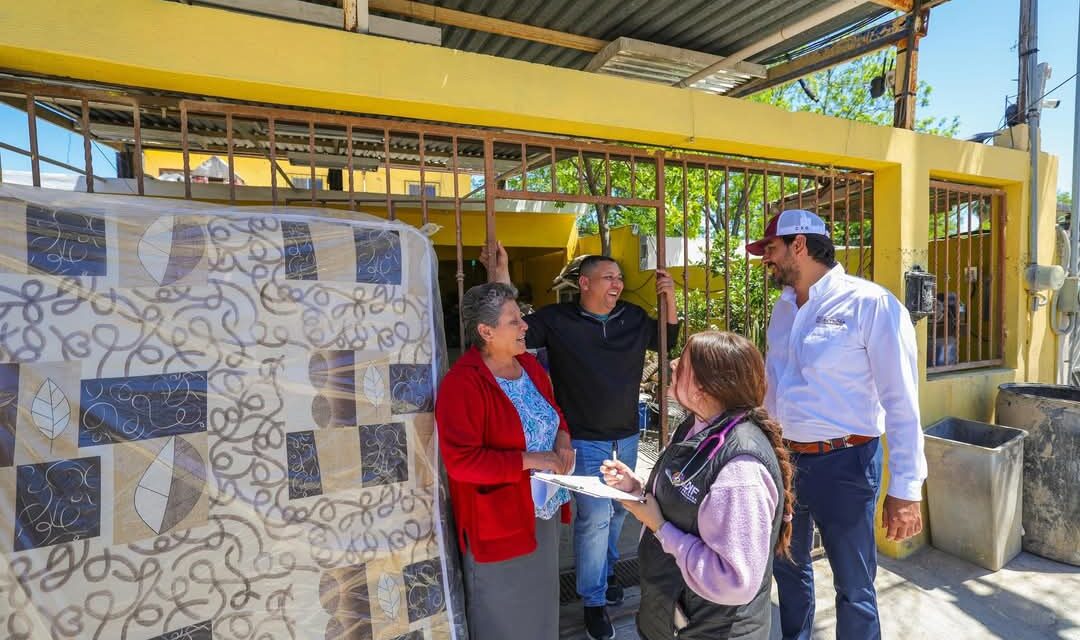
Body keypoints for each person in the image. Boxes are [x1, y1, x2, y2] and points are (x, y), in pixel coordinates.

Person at [482, 242, 679, 640]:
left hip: (625, 437)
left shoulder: (634, 318)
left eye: (620, 278)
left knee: (620, 513)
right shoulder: (558, 320)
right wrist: (500, 274)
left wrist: (670, 297)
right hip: (583, 440)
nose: (618, 284)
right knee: (593, 520)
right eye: (609, 277)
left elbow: (666, 341)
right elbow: (513, 325)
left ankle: (604, 577)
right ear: (584, 283)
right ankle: (593, 602)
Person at [746, 209, 927, 640]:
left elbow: (901, 401)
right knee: (788, 571)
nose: (766, 260)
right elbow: (775, 389)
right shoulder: (784, 308)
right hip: (788, 462)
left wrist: (905, 489)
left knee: (854, 586)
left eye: (771, 249)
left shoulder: (871, 305)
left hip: (846, 463)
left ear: (800, 245)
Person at [601, 331, 794, 640]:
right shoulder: (697, 426)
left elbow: (735, 581)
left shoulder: (741, 469)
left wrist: (661, 528)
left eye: (685, 361)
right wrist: (637, 488)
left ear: (706, 386)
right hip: (674, 619)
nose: (673, 363)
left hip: (709, 629)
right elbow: (685, 498)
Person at [434, 282, 576, 640]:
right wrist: (530, 459)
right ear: (486, 331)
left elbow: (554, 413)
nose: (525, 325)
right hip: (498, 521)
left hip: (542, 513)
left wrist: (563, 440)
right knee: (502, 616)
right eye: (514, 320)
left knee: (541, 610)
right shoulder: (463, 384)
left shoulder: (528, 365)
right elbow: (462, 463)